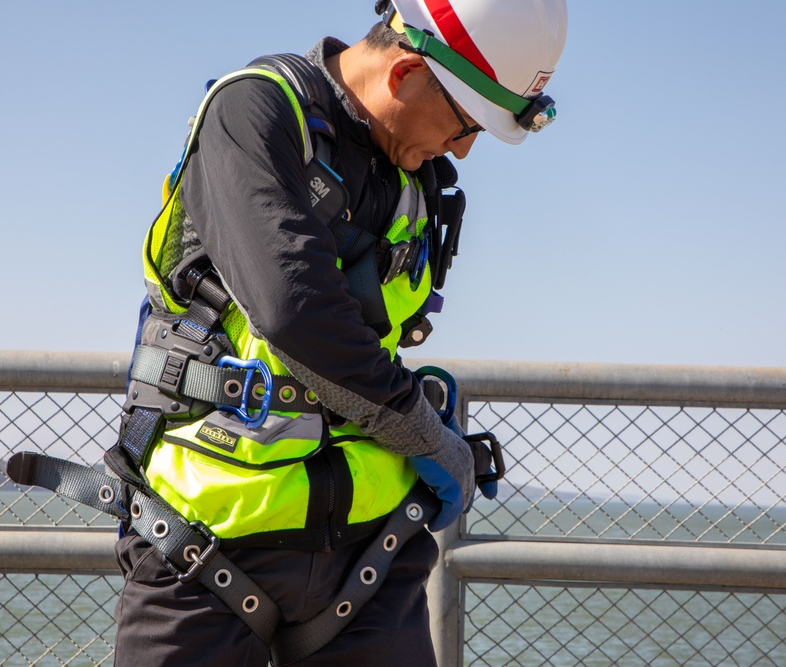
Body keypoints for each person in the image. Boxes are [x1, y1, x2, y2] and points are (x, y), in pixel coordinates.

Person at [112, 1, 568, 665]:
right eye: (466, 123)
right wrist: (424, 432)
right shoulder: (257, 113)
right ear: (407, 71)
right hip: (201, 548)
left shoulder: (412, 179)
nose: (464, 148)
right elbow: (297, 312)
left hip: (368, 560)